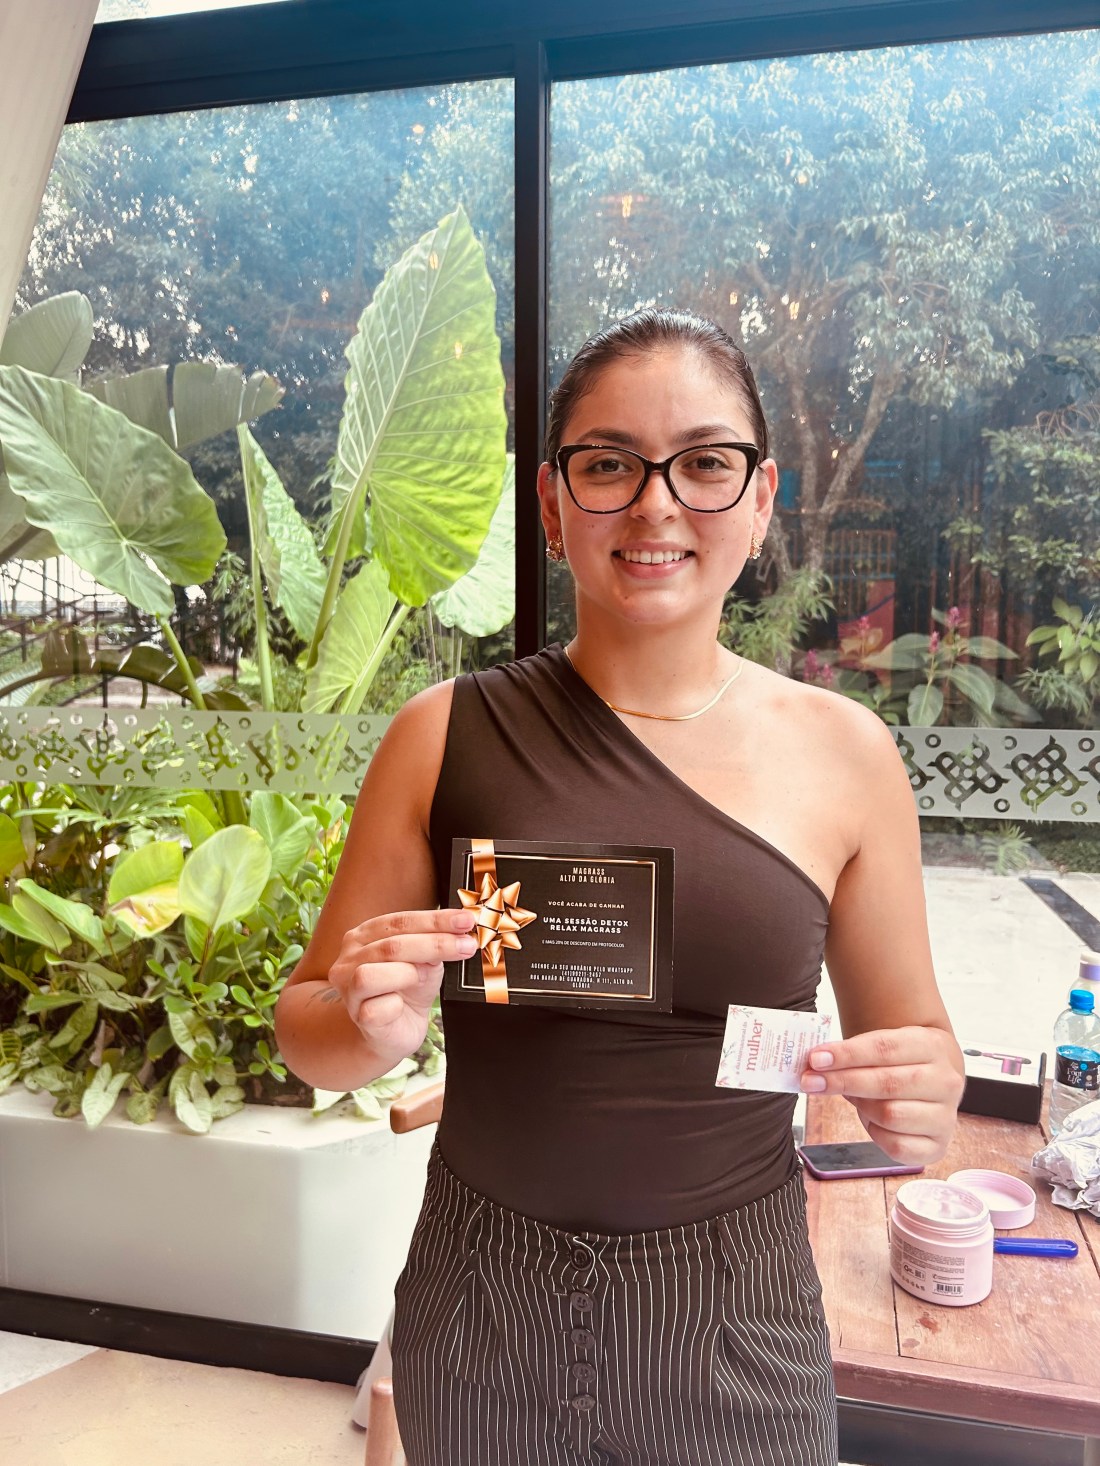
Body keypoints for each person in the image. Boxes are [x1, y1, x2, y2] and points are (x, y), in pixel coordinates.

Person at [274, 307, 965, 1466]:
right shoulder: (440, 735)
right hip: (480, 1300)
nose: (656, 504)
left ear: (759, 496)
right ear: (551, 505)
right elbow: (308, 1032)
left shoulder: (847, 755)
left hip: (733, 1314)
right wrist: (363, 1021)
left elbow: (916, 1042)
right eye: (607, 465)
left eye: (703, 463)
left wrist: (920, 1093)